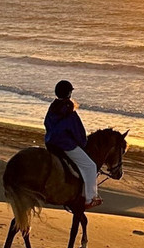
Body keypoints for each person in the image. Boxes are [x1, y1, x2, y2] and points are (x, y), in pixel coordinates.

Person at [44, 79, 102, 209]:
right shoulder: (69, 109)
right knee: (90, 166)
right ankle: (90, 198)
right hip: (65, 144)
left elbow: (46, 123)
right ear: (69, 93)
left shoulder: (52, 107)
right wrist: (82, 143)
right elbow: (78, 131)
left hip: (51, 142)